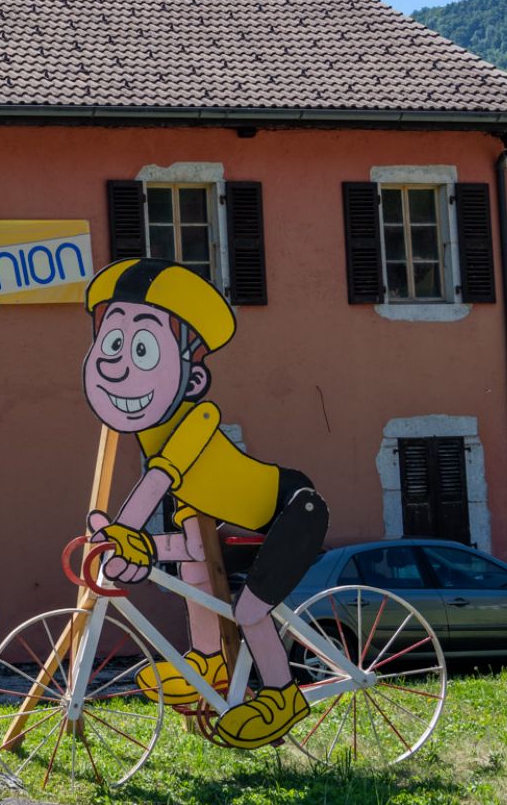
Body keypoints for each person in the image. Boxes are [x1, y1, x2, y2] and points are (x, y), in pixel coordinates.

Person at [81, 257, 330, 749]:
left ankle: (282, 696)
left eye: (143, 349)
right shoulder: (155, 435)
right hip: (236, 515)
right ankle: (208, 662)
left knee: (249, 610)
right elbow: (190, 545)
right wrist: (140, 547)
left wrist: (126, 528)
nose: (116, 364)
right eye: (111, 344)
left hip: (294, 508)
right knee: (191, 570)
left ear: (193, 381)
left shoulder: (198, 420)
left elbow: (161, 475)